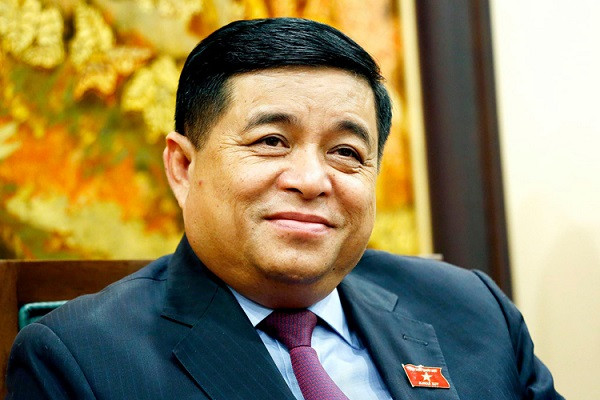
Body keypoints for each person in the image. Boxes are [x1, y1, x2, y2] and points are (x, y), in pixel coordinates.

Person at [6, 18, 563, 400]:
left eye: (346, 153)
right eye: (271, 141)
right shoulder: (80, 360)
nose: (311, 181)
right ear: (183, 167)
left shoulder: (473, 311)